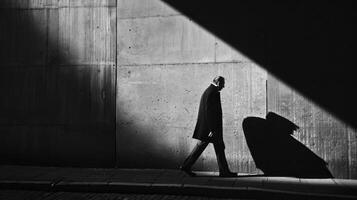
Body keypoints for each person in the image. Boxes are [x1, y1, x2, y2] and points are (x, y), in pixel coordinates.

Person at [180, 76, 237, 177]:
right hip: (211, 128)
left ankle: (224, 171)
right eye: (223, 84)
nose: (224, 86)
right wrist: (211, 129)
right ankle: (186, 165)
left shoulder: (210, 91)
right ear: (218, 83)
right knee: (208, 146)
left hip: (211, 128)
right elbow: (209, 112)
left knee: (216, 147)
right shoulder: (212, 92)